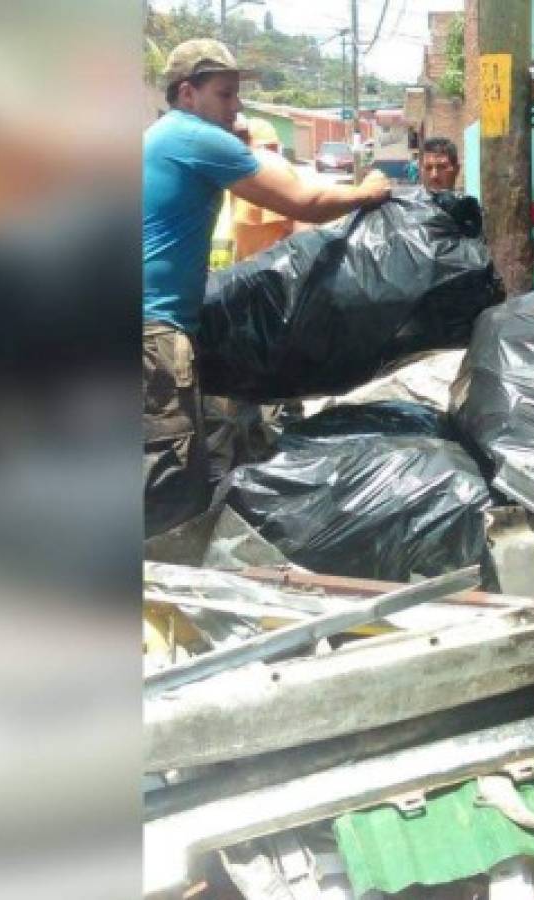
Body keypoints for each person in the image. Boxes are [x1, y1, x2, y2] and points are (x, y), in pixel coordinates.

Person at [143, 39, 391, 537]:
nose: (236, 106)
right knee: (168, 472)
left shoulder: (163, 137)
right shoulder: (194, 138)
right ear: (188, 94)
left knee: (187, 455)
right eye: (226, 94)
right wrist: (370, 191)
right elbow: (306, 200)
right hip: (154, 331)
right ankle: (159, 588)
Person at [233, 117, 298, 261]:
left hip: (242, 269)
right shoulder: (270, 165)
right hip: (268, 269)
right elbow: (296, 225)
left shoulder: (236, 166)